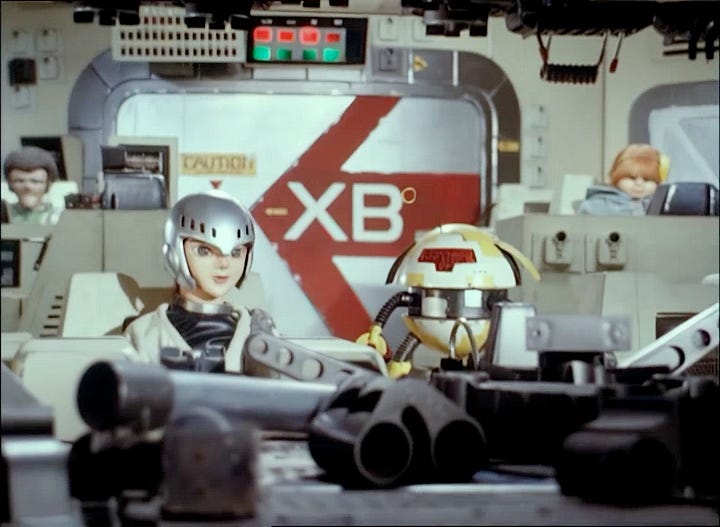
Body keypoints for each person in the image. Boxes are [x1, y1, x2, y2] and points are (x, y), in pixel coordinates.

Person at [124, 190, 277, 376]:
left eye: (236, 252)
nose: (224, 264)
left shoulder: (259, 330)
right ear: (175, 254)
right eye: (204, 251)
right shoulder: (145, 333)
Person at [577, 144, 669, 216]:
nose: (639, 183)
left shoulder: (665, 207)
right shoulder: (594, 207)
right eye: (631, 177)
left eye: (647, 179)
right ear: (616, 177)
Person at [2, 146, 62, 224]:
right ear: (10, 184)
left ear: (48, 184)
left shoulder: (60, 217)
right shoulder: (4, 216)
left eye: (35, 181)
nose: (28, 187)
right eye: (19, 181)